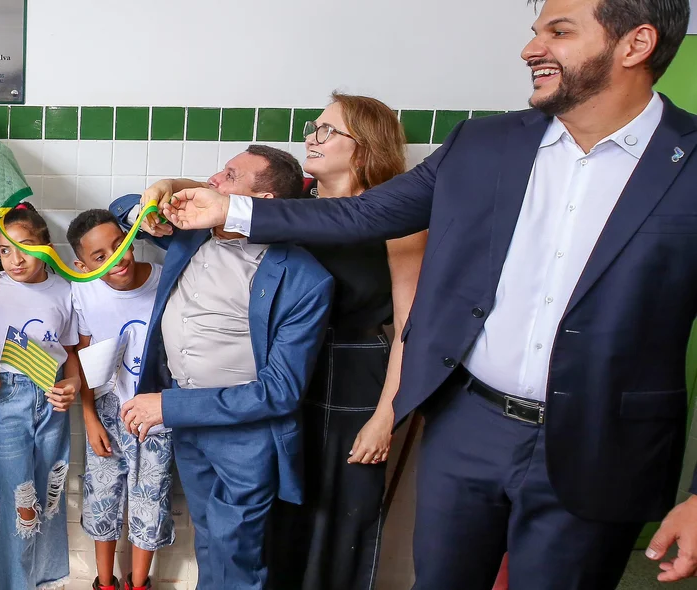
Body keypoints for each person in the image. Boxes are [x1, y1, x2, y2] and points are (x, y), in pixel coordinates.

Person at [160, 0, 697, 586]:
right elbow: (363, 214)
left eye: (559, 32)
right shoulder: (486, 144)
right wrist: (231, 208)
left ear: (635, 44)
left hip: (602, 444)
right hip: (469, 423)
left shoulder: (688, 163)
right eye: (535, 30)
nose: (530, 49)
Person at [112, 146, 333, 590]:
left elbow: (280, 392)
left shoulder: (305, 279)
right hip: (190, 428)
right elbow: (120, 210)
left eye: (229, 176)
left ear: (261, 204)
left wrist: (169, 407)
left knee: (237, 551)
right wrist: (164, 191)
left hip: (245, 437)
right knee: (209, 539)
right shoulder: (192, 234)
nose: (213, 180)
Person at [263, 93, 425, 590]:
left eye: (327, 130)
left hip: (356, 376)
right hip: (284, 369)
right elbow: (221, 198)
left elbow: (408, 327)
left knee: (342, 513)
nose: (311, 137)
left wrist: (386, 416)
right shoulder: (293, 212)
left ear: (365, 146)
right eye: (314, 126)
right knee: (280, 510)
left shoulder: (398, 220)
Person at [0, 203, 81, 590]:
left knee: (47, 495)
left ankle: (35, 580)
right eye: (4, 250)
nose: (15, 260)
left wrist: (73, 385)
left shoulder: (66, 290)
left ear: (47, 245)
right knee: (19, 498)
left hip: (51, 399)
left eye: (26, 247)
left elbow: (73, 353)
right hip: (7, 395)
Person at [67, 209, 171, 590]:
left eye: (120, 245)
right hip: (108, 410)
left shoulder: (165, 281)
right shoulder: (82, 292)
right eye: (100, 256)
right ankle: (105, 582)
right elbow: (82, 359)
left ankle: (139, 583)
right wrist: (89, 418)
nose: (118, 258)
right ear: (82, 264)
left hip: (157, 411)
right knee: (102, 497)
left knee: (150, 499)